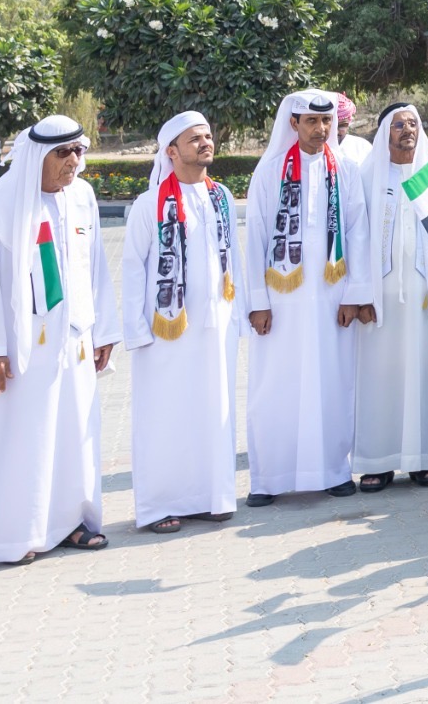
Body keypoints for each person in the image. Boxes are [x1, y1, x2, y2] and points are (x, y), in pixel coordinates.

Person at [0, 114, 116, 564]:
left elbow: (96, 266)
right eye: (62, 153)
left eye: (78, 151)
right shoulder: (2, 204)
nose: (73, 161)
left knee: (71, 435)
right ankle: (11, 534)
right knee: (22, 439)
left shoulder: (82, 197)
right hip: (19, 348)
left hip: (74, 341)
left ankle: (69, 523)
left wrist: (103, 331)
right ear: (37, 156)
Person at [240, 89, 373, 506]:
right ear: (293, 123)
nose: (320, 129)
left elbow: (358, 232)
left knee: (332, 382)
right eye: (312, 121)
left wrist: (354, 295)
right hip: (281, 300)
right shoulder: (270, 171)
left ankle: (332, 471)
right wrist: (257, 301)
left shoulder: (345, 169)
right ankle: (269, 478)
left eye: (326, 121)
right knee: (274, 385)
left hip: (333, 298)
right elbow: (256, 235)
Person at [120, 111, 241, 536]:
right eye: (195, 139)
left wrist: (238, 317)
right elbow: (132, 267)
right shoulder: (149, 204)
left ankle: (212, 498)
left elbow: (233, 258)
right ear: (171, 151)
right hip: (165, 333)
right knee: (165, 417)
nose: (206, 143)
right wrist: (136, 330)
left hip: (216, 327)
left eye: (208, 136)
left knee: (213, 411)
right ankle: (160, 505)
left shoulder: (222, 196)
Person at [350, 102, 428, 491]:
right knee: (379, 378)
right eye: (398, 125)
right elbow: (353, 239)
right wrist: (358, 295)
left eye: (413, 124)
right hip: (379, 300)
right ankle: (378, 462)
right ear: (384, 134)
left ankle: (426, 459)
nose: (407, 130)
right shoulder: (365, 177)